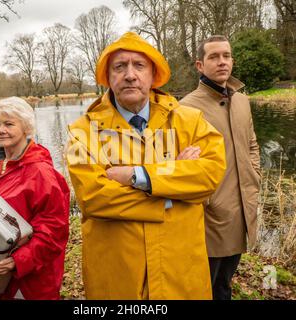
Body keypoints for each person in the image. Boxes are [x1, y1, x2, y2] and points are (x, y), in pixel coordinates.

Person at [66, 32, 226, 299]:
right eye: (120, 66)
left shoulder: (191, 121)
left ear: (153, 74)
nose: (130, 75)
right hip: (118, 276)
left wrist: (138, 176)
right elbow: (93, 197)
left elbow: (210, 174)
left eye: (139, 66)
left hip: (180, 270)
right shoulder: (83, 132)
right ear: (108, 76)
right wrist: (173, 193)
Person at [180, 35, 261, 300]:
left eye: (226, 56)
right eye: (214, 57)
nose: (222, 62)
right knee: (204, 287)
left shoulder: (242, 101)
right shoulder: (186, 108)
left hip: (242, 207)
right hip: (210, 215)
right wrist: (207, 200)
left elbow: (252, 144)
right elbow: (178, 164)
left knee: (225, 282)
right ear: (200, 65)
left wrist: (255, 176)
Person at [0, 96, 70, 300]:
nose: (1, 130)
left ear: (26, 127)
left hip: (31, 281)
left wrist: (17, 261)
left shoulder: (41, 173)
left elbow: (53, 232)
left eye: (9, 124)